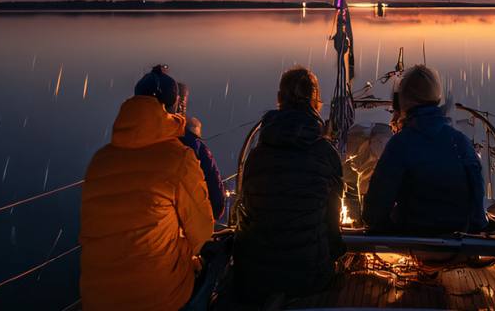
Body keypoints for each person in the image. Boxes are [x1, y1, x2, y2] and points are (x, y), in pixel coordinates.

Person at [79, 65, 214, 311]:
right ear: (172, 108)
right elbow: (203, 235)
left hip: (96, 299)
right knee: (216, 267)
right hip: (159, 299)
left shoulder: (100, 160)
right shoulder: (179, 158)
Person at [233, 66, 344, 303]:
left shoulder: (257, 154)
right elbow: (333, 221)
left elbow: (247, 210)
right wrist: (337, 253)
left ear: (279, 100)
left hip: (256, 273)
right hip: (308, 275)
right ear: (316, 103)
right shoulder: (326, 154)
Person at [363, 64, 487, 235]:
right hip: (457, 242)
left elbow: (374, 212)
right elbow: (478, 208)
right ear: (437, 99)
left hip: (414, 241)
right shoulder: (462, 142)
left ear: (401, 102)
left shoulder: (400, 144)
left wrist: (382, 225)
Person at [176, 82, 227, 221]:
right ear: (180, 105)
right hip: (173, 237)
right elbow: (216, 205)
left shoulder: (118, 149)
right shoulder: (192, 149)